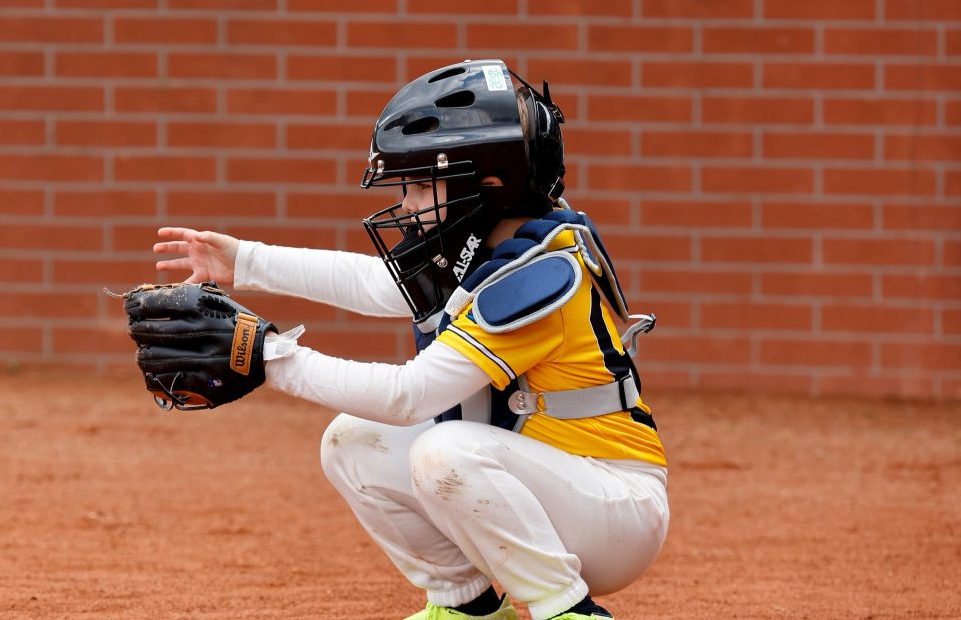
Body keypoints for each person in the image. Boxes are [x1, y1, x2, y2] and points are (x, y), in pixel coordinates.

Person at [152, 59, 668, 620]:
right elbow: (375, 284)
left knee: (444, 451)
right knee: (353, 442)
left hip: (615, 507)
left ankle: (567, 610)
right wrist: (247, 261)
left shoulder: (542, 278)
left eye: (423, 185)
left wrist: (270, 359)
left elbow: (411, 395)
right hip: (551, 486)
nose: (409, 205)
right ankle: (465, 605)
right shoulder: (492, 249)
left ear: (489, 186)